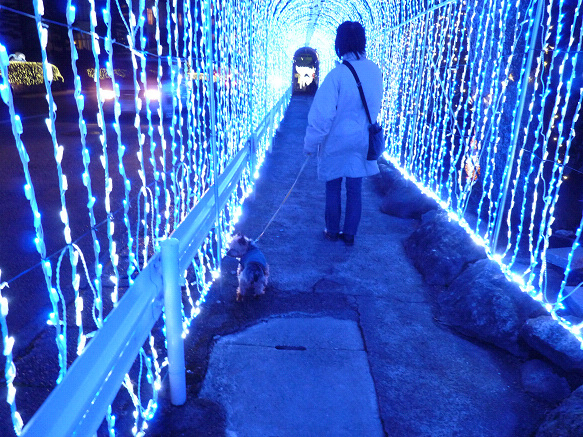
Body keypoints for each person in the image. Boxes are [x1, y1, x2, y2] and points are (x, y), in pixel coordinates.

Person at [303, 21, 383, 246]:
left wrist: (310, 144)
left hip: (336, 141)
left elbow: (322, 116)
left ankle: (331, 231)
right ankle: (349, 234)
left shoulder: (336, 75)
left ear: (340, 43)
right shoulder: (375, 71)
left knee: (333, 186)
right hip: (361, 140)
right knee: (355, 188)